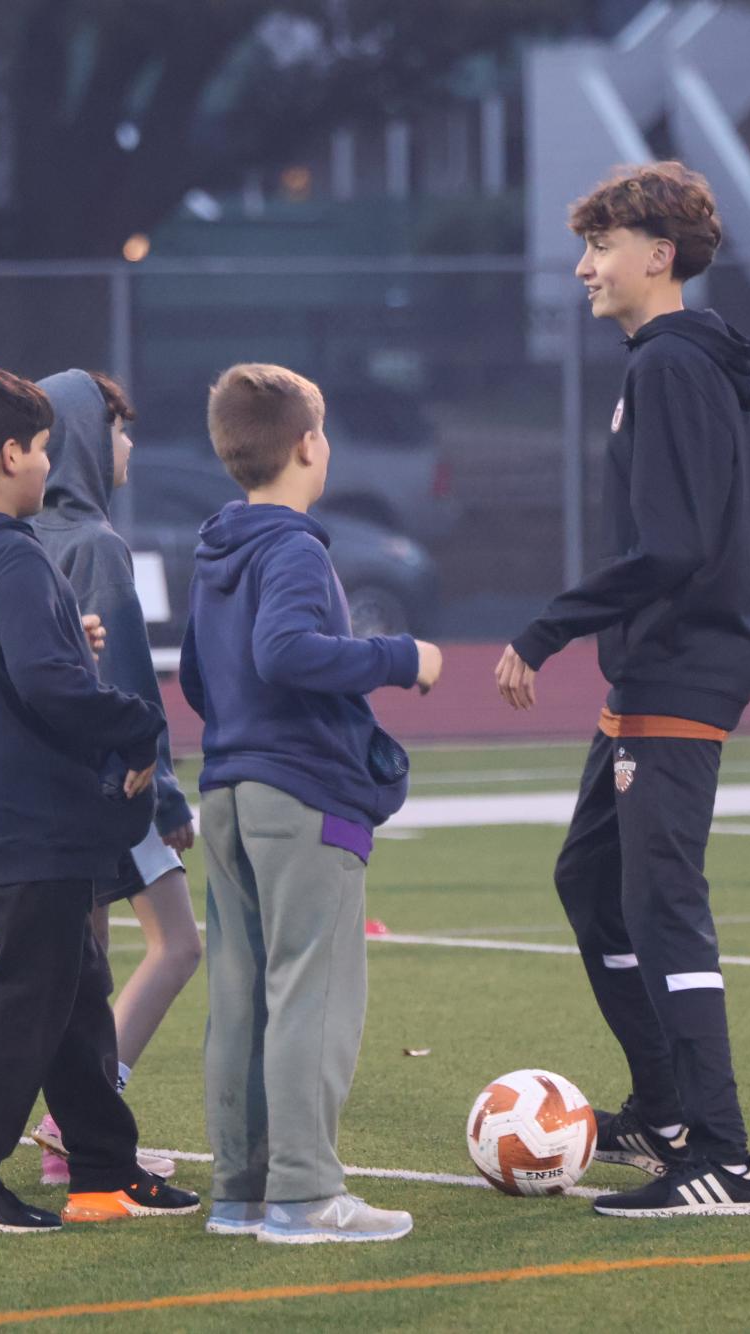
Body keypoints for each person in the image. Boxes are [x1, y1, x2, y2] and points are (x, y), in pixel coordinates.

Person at [495, 162, 750, 1218]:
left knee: (662, 907)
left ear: (658, 254)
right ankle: (662, 1108)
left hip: (681, 664)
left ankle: (725, 1157)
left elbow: (675, 545)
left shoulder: (668, 366)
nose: (583, 266)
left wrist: (551, 625)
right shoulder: (668, 363)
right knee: (589, 879)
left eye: (601, 245)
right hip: (657, 662)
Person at [0, 366, 198, 1234]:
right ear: (7, 455)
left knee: (74, 989)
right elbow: (48, 687)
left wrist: (67, 634)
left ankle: (104, 1169)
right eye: (37, 448)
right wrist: (137, 726)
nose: (45, 462)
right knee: (31, 992)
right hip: (36, 811)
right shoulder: (13, 554)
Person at [180, 363, 443, 1244]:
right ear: (305, 444)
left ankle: (241, 1194)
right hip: (298, 791)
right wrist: (399, 657)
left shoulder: (217, 544)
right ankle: (303, 1196)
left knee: (242, 992)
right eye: (323, 431)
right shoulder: (292, 545)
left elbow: (195, 672)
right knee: (311, 992)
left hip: (225, 785)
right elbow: (286, 650)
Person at [24, 370, 194, 1187]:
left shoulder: (21, 536)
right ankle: (75, 1124)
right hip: (116, 790)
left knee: (82, 972)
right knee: (178, 946)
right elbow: (126, 681)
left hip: (49, 792)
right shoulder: (95, 544)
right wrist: (165, 796)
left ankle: (80, 1146)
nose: (128, 445)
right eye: (118, 430)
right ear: (88, 439)